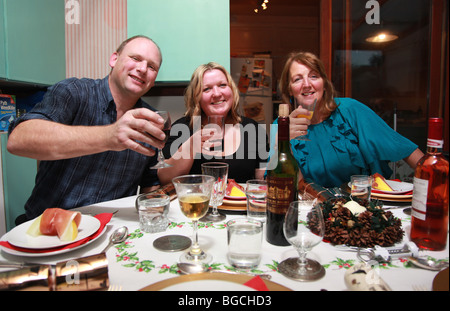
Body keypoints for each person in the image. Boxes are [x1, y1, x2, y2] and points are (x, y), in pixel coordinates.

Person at [7, 35, 166, 220]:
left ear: (154, 80)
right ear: (114, 59)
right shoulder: (73, 92)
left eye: (152, 66)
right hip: (48, 230)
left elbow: (149, 184)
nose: (142, 69)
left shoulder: (150, 120)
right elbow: (18, 140)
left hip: (110, 231)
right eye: (135, 58)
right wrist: (109, 136)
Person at [271, 51, 424, 188]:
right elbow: (288, 188)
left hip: (361, 208)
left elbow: (405, 149)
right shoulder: (280, 126)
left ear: (323, 83)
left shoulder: (351, 110)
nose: (307, 84)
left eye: (313, 76)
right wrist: (283, 144)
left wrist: (435, 185)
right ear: (289, 89)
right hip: (310, 210)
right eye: (297, 79)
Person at [158, 62, 269, 184]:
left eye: (222, 85)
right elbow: (165, 179)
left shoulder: (252, 128)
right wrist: (190, 146)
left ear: (231, 90)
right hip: (197, 202)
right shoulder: (182, 128)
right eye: (206, 89)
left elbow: (261, 181)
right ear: (197, 97)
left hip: (239, 202)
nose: (216, 94)